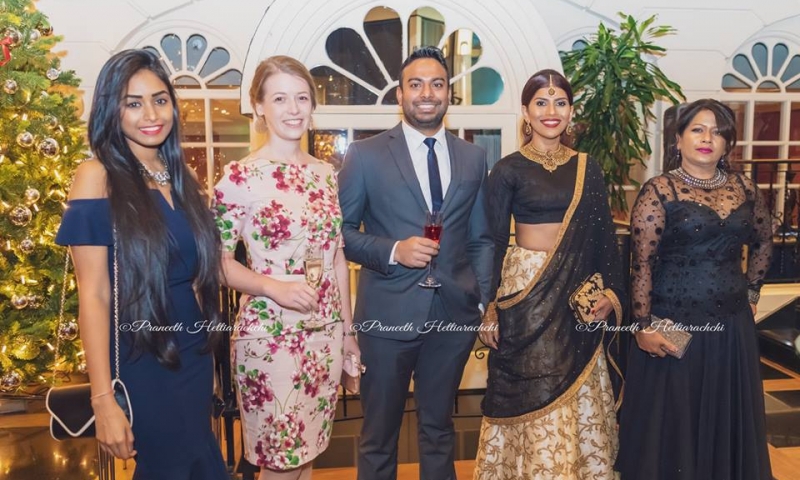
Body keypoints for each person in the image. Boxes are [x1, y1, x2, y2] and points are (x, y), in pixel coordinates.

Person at [55, 49, 228, 478]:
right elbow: (95, 295)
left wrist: (207, 360)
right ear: (111, 110)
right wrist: (102, 399)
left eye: (160, 99)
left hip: (192, 356)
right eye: (133, 103)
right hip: (141, 359)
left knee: (198, 463)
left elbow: (196, 277)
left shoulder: (183, 179)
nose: (151, 114)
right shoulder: (97, 176)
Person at [337, 46, 494, 480]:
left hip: (453, 317)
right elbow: (341, 235)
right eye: (416, 84)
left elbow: (481, 238)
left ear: (449, 94)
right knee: (378, 436)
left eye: (437, 84)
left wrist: (481, 300)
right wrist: (394, 250)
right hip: (386, 317)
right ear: (400, 94)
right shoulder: (364, 155)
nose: (427, 93)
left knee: (439, 431)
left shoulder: (473, 157)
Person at [474, 69, 626, 479]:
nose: (551, 111)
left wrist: (612, 293)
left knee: (578, 383)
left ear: (571, 111)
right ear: (526, 112)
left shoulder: (588, 168)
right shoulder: (508, 169)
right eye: (541, 103)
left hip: (577, 294)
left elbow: (604, 238)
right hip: (526, 289)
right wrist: (489, 307)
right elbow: (491, 240)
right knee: (529, 383)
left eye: (560, 103)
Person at [212, 55, 357, 480]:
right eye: (279, 99)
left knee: (306, 455)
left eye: (302, 98)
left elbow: (336, 258)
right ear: (258, 106)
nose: (293, 109)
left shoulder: (325, 174)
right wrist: (274, 287)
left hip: (325, 336)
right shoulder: (238, 177)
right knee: (281, 462)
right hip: (270, 337)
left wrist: (348, 334)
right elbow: (216, 264)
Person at [616, 99, 773, 479]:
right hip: (674, 325)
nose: (707, 138)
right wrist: (642, 326)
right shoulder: (659, 190)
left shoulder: (746, 189)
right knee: (673, 422)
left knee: (725, 414)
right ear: (679, 138)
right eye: (698, 130)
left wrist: (752, 293)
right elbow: (642, 263)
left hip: (731, 327)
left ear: (727, 143)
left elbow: (764, 242)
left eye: (718, 132)